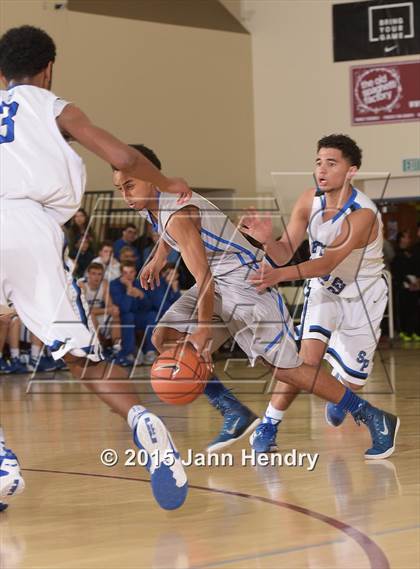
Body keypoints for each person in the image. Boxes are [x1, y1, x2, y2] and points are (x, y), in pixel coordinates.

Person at [0, 25, 191, 511]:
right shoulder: (54, 106)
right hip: (31, 225)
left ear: (2, 74)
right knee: (79, 358)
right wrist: (167, 181)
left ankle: (2, 460)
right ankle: (143, 424)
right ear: (48, 68)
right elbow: (122, 156)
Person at [113, 143, 400, 461]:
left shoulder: (178, 213)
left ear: (151, 178)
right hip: (219, 284)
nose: (124, 194)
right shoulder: (156, 205)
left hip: (246, 285)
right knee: (163, 336)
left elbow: (203, 275)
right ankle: (232, 410)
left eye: (129, 185)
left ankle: (372, 416)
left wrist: (204, 329)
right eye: (119, 188)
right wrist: (158, 256)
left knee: (287, 370)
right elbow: (174, 237)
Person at [239, 134, 394, 452]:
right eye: (318, 162)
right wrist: (268, 241)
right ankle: (269, 424)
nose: (322, 169)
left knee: (349, 387)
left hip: (363, 297)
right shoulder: (309, 199)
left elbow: (327, 262)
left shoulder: (362, 215)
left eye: (332, 163)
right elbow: (284, 253)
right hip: (324, 291)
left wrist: (278, 276)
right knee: (304, 362)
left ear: (351, 171)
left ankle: (342, 391)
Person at [110, 261, 157, 365]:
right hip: (122, 317)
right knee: (128, 316)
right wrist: (129, 290)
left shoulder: (140, 283)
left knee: (152, 315)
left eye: (131, 272)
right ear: (121, 273)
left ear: (135, 272)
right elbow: (123, 309)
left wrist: (142, 296)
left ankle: (150, 351)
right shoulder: (114, 285)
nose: (128, 275)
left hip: (138, 315)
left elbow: (149, 306)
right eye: (125, 272)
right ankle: (128, 353)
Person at [78, 263, 123, 360]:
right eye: (93, 274)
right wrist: (107, 310)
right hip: (83, 317)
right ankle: (99, 346)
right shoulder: (82, 285)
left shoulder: (104, 283)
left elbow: (109, 305)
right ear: (88, 274)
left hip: (98, 313)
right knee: (91, 315)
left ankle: (116, 348)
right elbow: (85, 310)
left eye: (99, 274)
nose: (96, 277)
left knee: (115, 313)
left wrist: (112, 309)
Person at [391, 230, 420, 342]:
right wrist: (408, 282)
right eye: (405, 237)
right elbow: (398, 272)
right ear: (400, 239)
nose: (408, 239)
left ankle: (413, 331)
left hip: (413, 286)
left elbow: (415, 268)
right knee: (404, 309)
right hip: (402, 287)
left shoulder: (411, 252)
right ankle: (403, 331)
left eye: (409, 237)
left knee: (414, 309)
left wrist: (416, 281)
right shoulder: (397, 254)